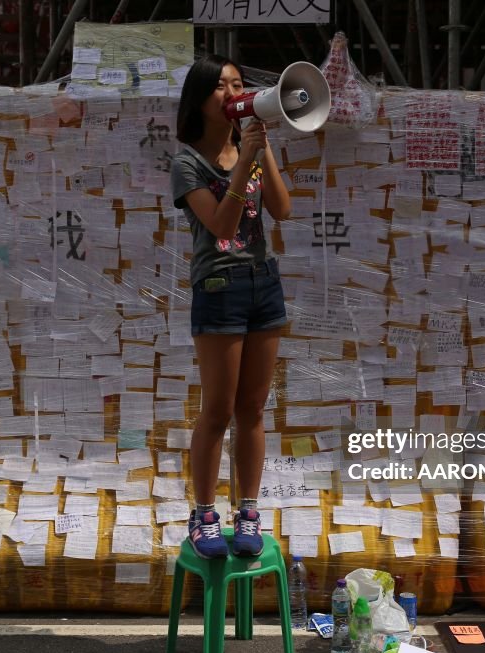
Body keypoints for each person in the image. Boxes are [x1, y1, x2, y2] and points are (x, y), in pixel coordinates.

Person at [170, 54, 292, 559]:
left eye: (239, 84)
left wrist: (260, 152)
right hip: (219, 286)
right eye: (221, 86)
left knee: (253, 409)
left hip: (263, 282)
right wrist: (243, 163)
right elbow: (220, 227)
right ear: (199, 100)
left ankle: (248, 511)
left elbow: (282, 210)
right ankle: (203, 516)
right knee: (218, 411)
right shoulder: (186, 162)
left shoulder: (251, 147)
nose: (232, 93)